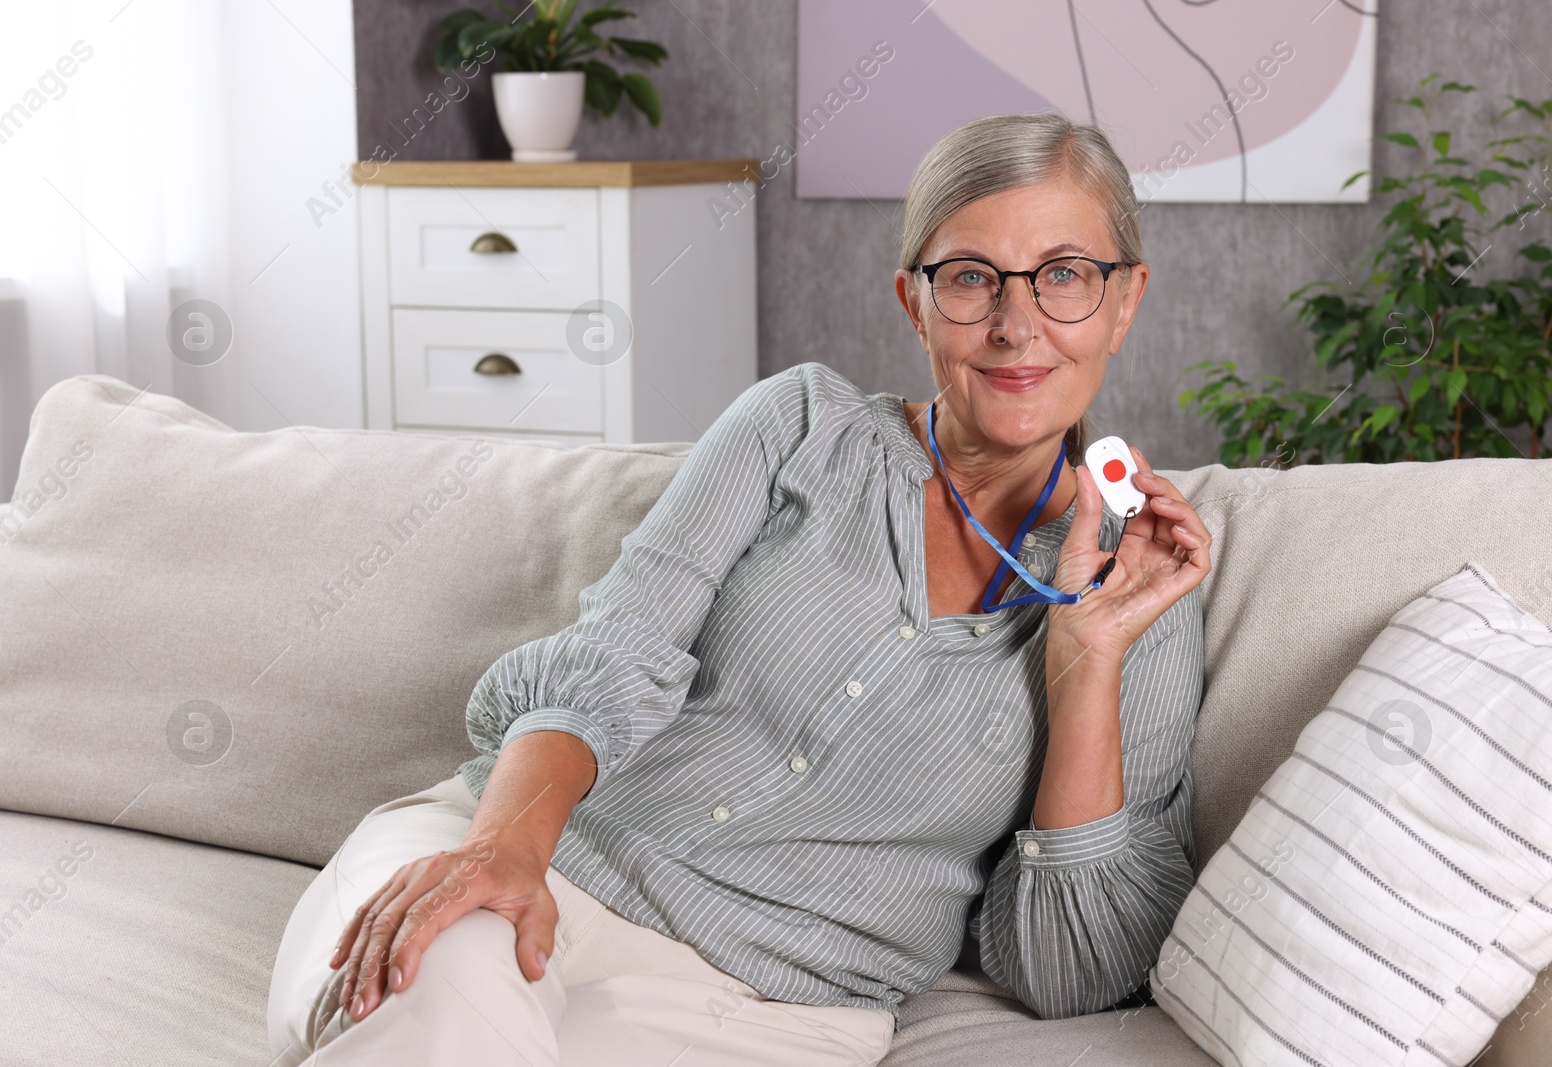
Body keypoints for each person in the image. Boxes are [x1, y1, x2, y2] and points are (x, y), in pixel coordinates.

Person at [266, 109, 1212, 1067]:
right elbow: (612, 654)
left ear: (1125, 300)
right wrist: (504, 849)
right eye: (971, 278)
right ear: (913, 301)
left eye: (1065, 276)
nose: (1017, 324)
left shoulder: (1145, 593)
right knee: (438, 985)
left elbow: (1076, 974)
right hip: (527, 860)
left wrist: (1085, 659)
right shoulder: (796, 425)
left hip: (770, 1006)